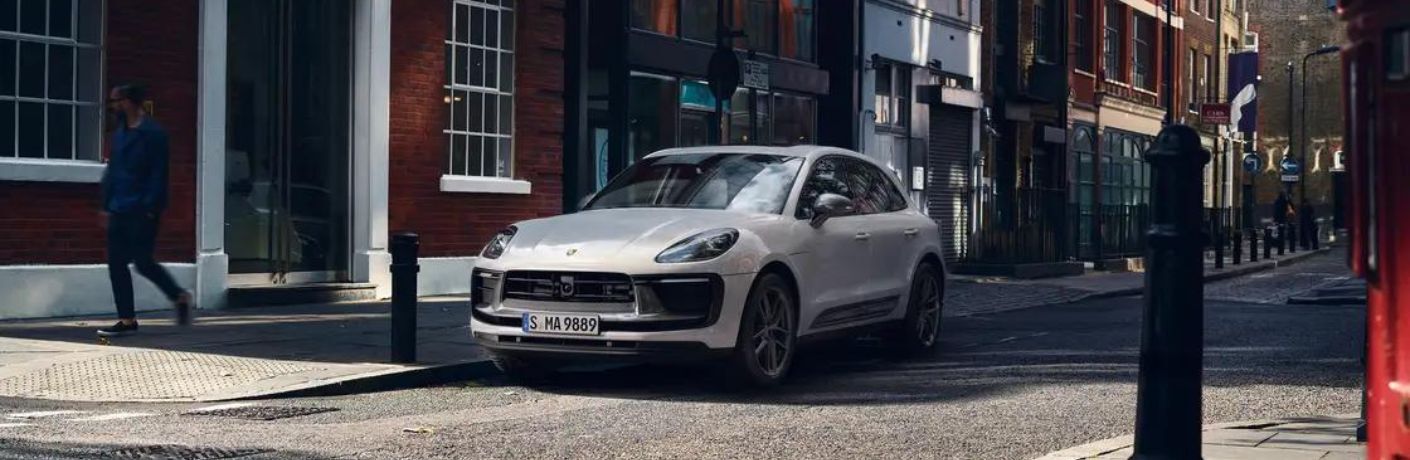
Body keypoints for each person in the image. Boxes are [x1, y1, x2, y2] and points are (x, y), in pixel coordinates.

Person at [97, 83, 192, 337]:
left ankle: (179, 295)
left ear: (129, 101)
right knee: (116, 264)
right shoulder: (119, 133)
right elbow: (113, 170)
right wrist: (105, 205)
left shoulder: (154, 133)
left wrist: (151, 207)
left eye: (116, 101)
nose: (113, 106)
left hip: (142, 209)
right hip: (118, 206)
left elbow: (159, 173)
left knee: (143, 262)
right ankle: (127, 319)